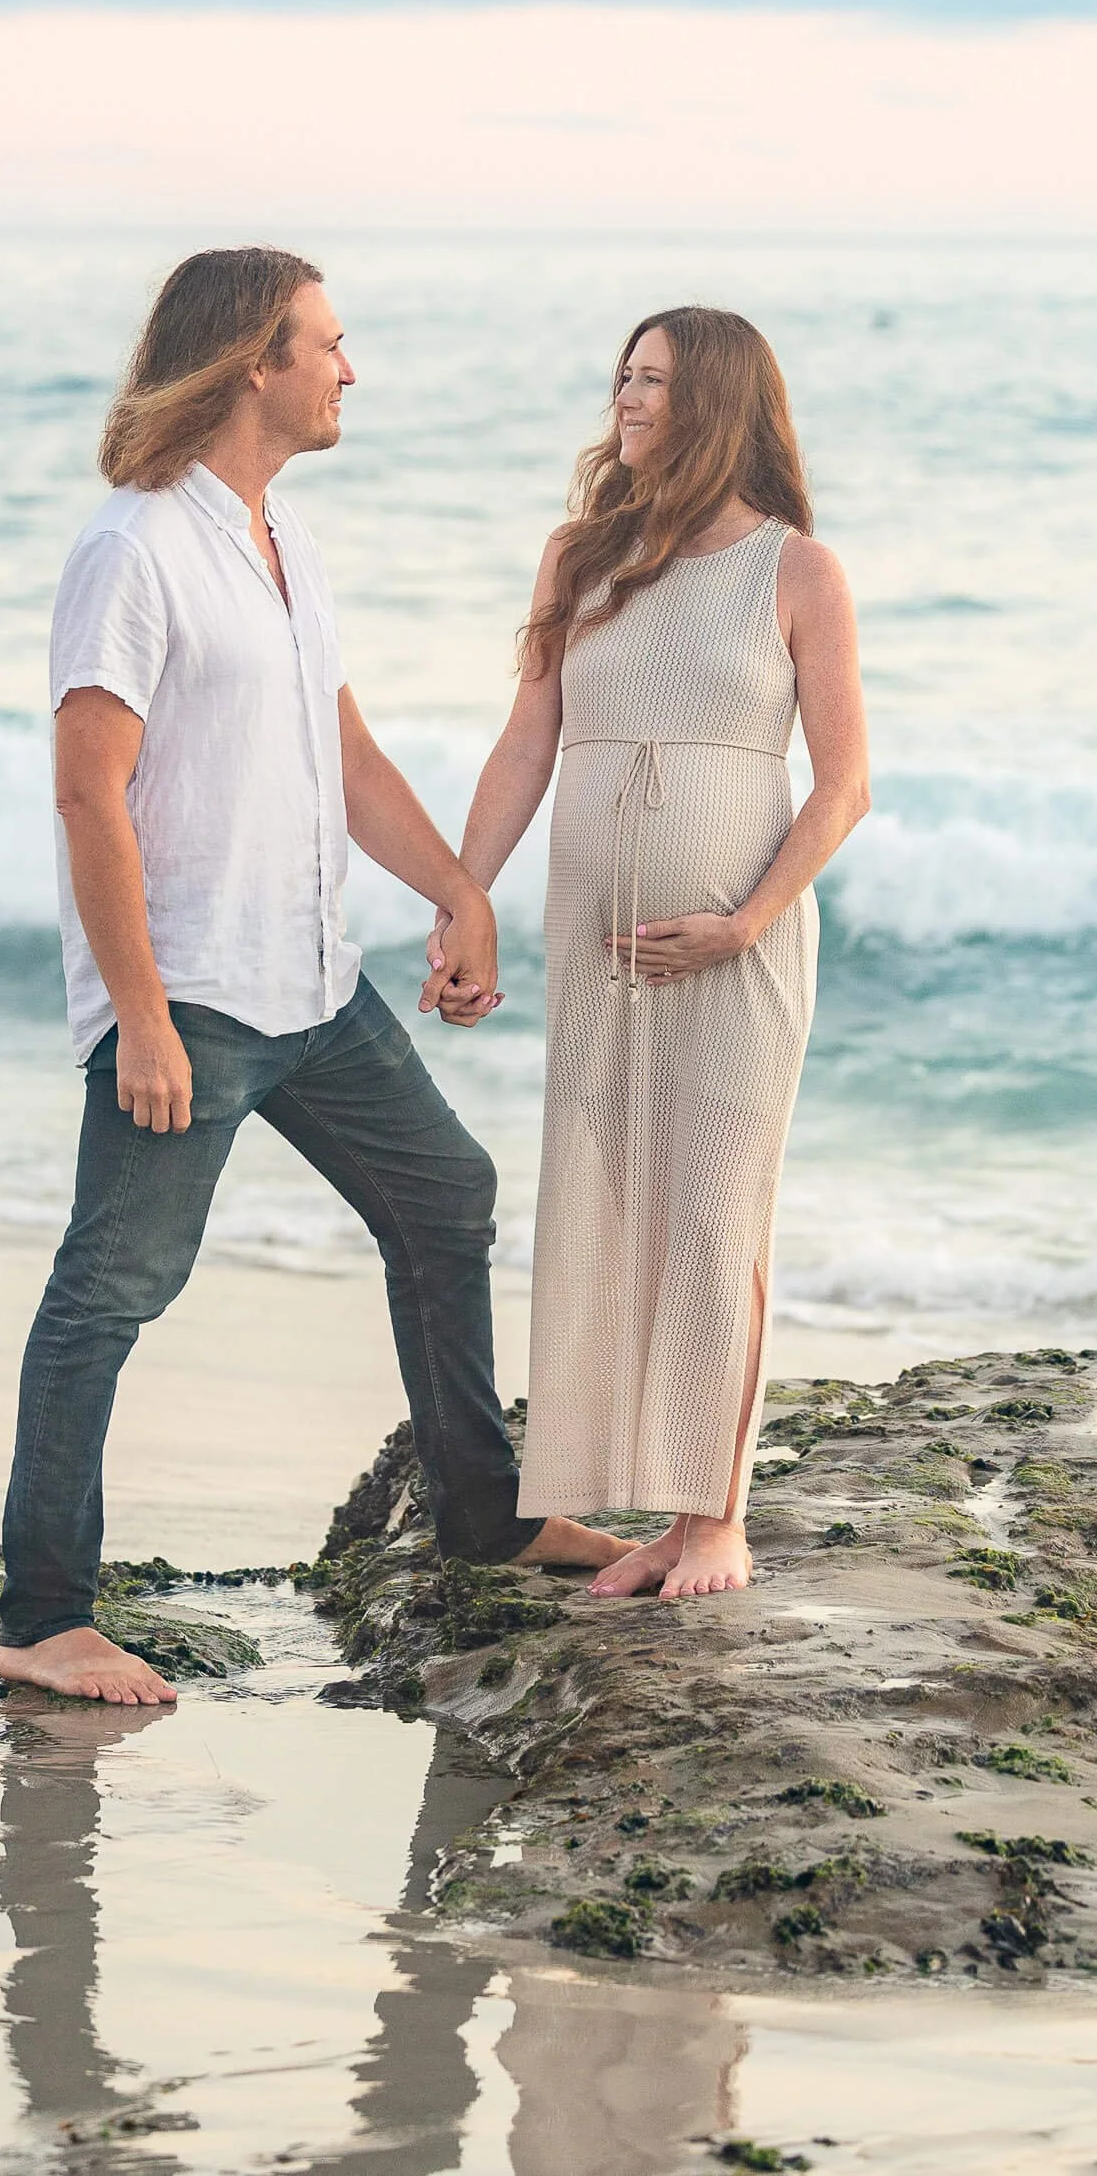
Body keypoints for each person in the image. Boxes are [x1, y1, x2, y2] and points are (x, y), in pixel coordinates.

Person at [0, 247, 634, 1706]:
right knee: (111, 1290)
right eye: (328, 344)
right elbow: (90, 796)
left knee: (445, 1195)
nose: (350, 370)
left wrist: (459, 890)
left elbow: (341, 758)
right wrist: (140, 1018)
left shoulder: (288, 553)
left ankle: (482, 1511)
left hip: (310, 985)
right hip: (197, 997)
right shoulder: (134, 548)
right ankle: (42, 1617)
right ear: (250, 366)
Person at [444, 307, 869, 1601]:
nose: (627, 400)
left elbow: (843, 785)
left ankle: (716, 1516)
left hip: (733, 947)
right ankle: (655, 1514)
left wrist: (742, 920)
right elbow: (527, 743)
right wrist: (465, 901)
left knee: (713, 1213)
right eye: (622, 377)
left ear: (720, 406)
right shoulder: (578, 556)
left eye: (657, 383)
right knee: (614, 1210)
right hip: (596, 940)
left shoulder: (795, 569)